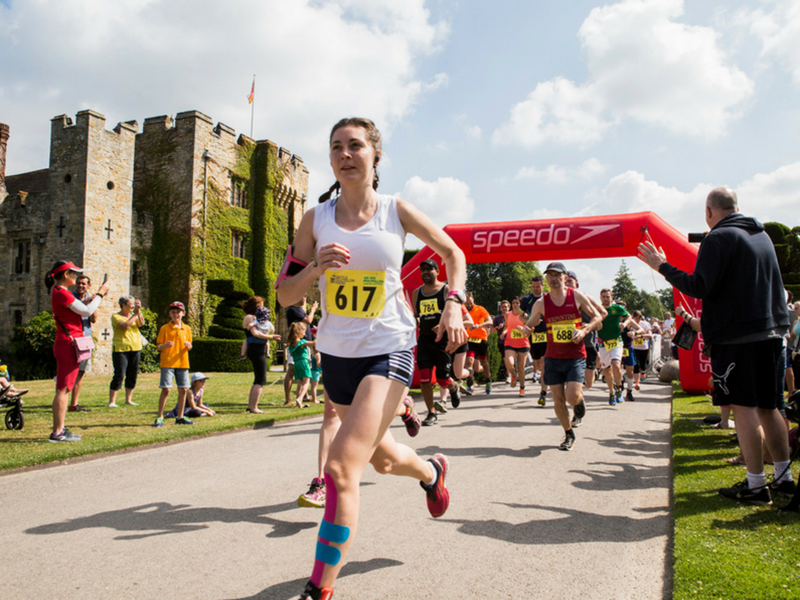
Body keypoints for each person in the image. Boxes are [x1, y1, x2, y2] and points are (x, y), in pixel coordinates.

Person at [278, 117, 465, 600]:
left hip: (389, 349)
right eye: (336, 147)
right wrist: (316, 267)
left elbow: (452, 252)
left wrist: (453, 300)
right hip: (337, 357)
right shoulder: (313, 219)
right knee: (380, 461)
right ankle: (431, 472)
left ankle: (318, 588)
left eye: (355, 146)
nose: (345, 154)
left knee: (341, 468)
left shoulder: (394, 210)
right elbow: (284, 295)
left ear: (375, 156)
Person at [639, 186, 794, 505]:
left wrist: (661, 266)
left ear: (709, 211)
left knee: (744, 406)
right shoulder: (762, 237)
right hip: (773, 332)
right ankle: (784, 478)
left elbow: (699, 286)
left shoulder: (718, 238)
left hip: (738, 337)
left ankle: (755, 485)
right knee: (770, 407)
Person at [522, 262, 601, 450]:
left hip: (575, 355)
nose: (554, 278)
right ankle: (568, 433)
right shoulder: (541, 302)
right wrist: (525, 330)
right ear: (546, 279)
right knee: (557, 399)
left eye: (557, 275)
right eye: (550, 275)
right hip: (553, 357)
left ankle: (579, 402)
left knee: (571, 396)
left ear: (565, 277)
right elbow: (531, 323)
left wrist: (585, 330)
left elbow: (597, 316)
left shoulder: (577, 297)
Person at [45, 260, 110, 442]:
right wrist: (100, 293)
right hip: (68, 344)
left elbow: (80, 310)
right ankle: (57, 432)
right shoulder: (61, 293)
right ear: (65, 275)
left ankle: (61, 428)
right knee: (63, 388)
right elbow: (87, 311)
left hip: (68, 343)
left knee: (65, 388)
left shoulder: (61, 293)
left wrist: (91, 299)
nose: (76, 276)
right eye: (74, 273)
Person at [413, 258, 463, 425]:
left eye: (429, 269)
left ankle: (453, 387)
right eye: (423, 270)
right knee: (425, 378)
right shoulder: (417, 293)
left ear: (437, 272)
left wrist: (443, 325)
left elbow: (455, 315)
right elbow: (416, 317)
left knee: (442, 380)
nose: (425, 272)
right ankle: (431, 412)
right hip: (425, 341)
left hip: (443, 340)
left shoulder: (446, 290)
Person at [597, 289, 642, 405]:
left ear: (611, 298)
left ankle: (618, 389)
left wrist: (625, 324)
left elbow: (629, 316)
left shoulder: (617, 308)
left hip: (617, 341)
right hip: (603, 343)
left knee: (616, 365)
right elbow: (592, 320)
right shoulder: (597, 309)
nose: (606, 299)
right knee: (607, 370)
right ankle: (611, 392)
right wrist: (596, 325)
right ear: (600, 298)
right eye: (604, 297)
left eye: (608, 296)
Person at [154, 301, 193, 427]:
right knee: (166, 389)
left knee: (183, 389)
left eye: (178, 312)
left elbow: (189, 344)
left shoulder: (187, 328)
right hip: (168, 363)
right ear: (170, 313)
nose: (176, 314)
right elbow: (158, 346)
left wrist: (189, 346)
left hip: (182, 362)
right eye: (173, 312)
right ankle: (160, 416)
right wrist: (164, 345)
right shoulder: (165, 328)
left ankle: (180, 416)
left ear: (183, 313)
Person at [242, 296, 281, 414]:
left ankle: (251, 405)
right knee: (260, 379)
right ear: (257, 306)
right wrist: (270, 337)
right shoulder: (250, 317)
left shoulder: (258, 319)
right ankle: (253, 407)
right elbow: (255, 333)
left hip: (259, 349)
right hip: (256, 350)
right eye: (262, 305)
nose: (264, 307)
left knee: (258, 379)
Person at [108, 295, 144, 407]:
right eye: (131, 305)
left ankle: (128, 400)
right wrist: (135, 315)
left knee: (132, 375)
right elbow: (125, 326)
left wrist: (139, 312)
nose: (132, 307)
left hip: (135, 348)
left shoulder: (134, 315)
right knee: (119, 374)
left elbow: (141, 324)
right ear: (123, 305)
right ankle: (112, 401)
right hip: (120, 349)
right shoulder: (115, 316)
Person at [69, 275, 96, 413]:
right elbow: (72, 312)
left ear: (88, 286)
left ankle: (74, 403)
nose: (81, 286)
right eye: (79, 283)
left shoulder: (89, 299)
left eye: (84, 284)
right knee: (70, 371)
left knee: (80, 372)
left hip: (85, 339)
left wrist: (91, 305)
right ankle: (65, 400)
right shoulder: (70, 297)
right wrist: (84, 303)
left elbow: (94, 318)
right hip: (73, 338)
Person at [284, 296, 318, 406]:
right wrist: (313, 309)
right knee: (292, 371)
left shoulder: (300, 310)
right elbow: (308, 320)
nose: (305, 297)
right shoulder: (292, 309)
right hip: (299, 347)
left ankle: (304, 397)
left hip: (301, 348)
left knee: (300, 377)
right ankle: (288, 399)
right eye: (303, 295)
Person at [521, 276, 549, 405]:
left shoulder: (548, 298)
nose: (536, 289)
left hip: (547, 333)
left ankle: (543, 392)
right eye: (533, 287)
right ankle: (542, 379)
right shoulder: (527, 299)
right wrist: (529, 322)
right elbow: (521, 316)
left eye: (538, 286)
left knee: (543, 364)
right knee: (537, 364)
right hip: (534, 334)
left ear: (543, 286)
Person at [464, 292, 493, 395]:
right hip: (470, 340)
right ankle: (470, 385)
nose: (469, 305)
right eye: (467, 304)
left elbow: (490, 322)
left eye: (470, 303)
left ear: (473, 300)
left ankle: (488, 380)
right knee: (469, 361)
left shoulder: (480, 309)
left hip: (481, 339)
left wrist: (478, 326)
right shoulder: (463, 310)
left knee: (484, 362)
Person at [504, 297, 530, 397]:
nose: (515, 305)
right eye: (514, 303)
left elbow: (529, 328)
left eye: (517, 303)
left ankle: (522, 388)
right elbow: (507, 326)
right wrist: (503, 332)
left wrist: (522, 329)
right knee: (509, 362)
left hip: (523, 343)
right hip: (510, 343)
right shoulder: (507, 315)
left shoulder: (524, 315)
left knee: (521, 368)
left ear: (520, 305)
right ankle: (514, 375)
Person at [287, 321, 314, 409]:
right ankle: (300, 398)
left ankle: (299, 402)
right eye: (303, 331)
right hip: (303, 362)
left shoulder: (291, 344)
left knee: (299, 383)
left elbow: (291, 354)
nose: (305, 333)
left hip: (296, 363)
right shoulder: (302, 342)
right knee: (307, 382)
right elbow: (314, 343)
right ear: (299, 332)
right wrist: (318, 335)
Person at [631, 310, 653, 390]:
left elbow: (650, 335)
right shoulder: (631, 324)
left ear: (640, 318)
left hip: (643, 346)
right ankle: (637, 382)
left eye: (638, 318)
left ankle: (643, 372)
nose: (636, 320)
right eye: (635, 318)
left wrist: (641, 336)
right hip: (634, 347)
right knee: (636, 364)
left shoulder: (645, 324)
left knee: (643, 365)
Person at [492, 300, 510, 381]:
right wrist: (497, 328)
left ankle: (510, 375)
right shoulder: (497, 318)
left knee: (508, 358)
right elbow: (491, 330)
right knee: (505, 359)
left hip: (511, 341)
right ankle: (510, 374)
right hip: (501, 341)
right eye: (502, 307)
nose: (504, 308)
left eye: (506, 307)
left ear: (509, 308)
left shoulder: (512, 316)